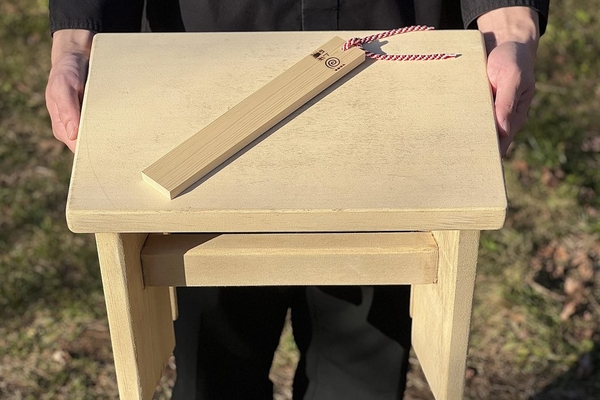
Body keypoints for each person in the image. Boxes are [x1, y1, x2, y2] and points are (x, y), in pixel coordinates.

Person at [46, 1, 549, 399]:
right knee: (216, 362)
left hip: (392, 90)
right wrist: (76, 38)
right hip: (200, 71)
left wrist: (508, 24)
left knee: (363, 366)